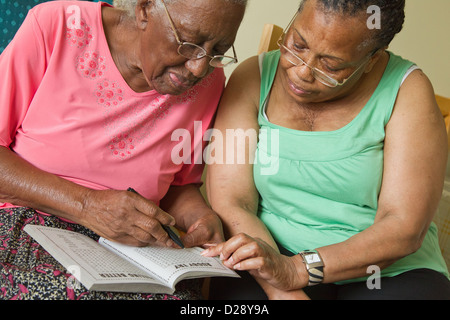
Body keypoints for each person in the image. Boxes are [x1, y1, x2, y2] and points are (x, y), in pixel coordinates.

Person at [203, 0, 450, 300]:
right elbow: (232, 200)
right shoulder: (251, 78)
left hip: (386, 270)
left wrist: (296, 270)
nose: (302, 72)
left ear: (372, 60)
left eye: (330, 66)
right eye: (298, 45)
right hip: (269, 249)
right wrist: (281, 288)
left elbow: (403, 227)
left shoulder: (408, 91)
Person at [0, 0, 246, 300]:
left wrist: (199, 216)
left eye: (217, 51)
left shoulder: (209, 81)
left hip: (133, 244)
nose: (199, 66)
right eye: (188, 43)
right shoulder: (58, 25)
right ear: (144, 9)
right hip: (28, 223)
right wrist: (86, 206)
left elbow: (178, 186)